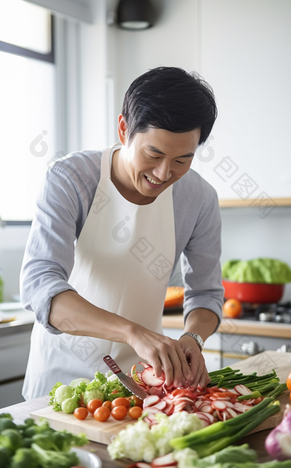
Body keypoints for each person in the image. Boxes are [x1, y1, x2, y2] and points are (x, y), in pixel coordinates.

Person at [20, 66, 224, 400]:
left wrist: (192, 340)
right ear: (123, 128)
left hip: (141, 383)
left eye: (182, 160)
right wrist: (132, 332)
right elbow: (40, 286)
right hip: (59, 382)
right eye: (153, 153)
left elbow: (206, 294)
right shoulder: (71, 178)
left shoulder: (198, 198)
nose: (163, 173)